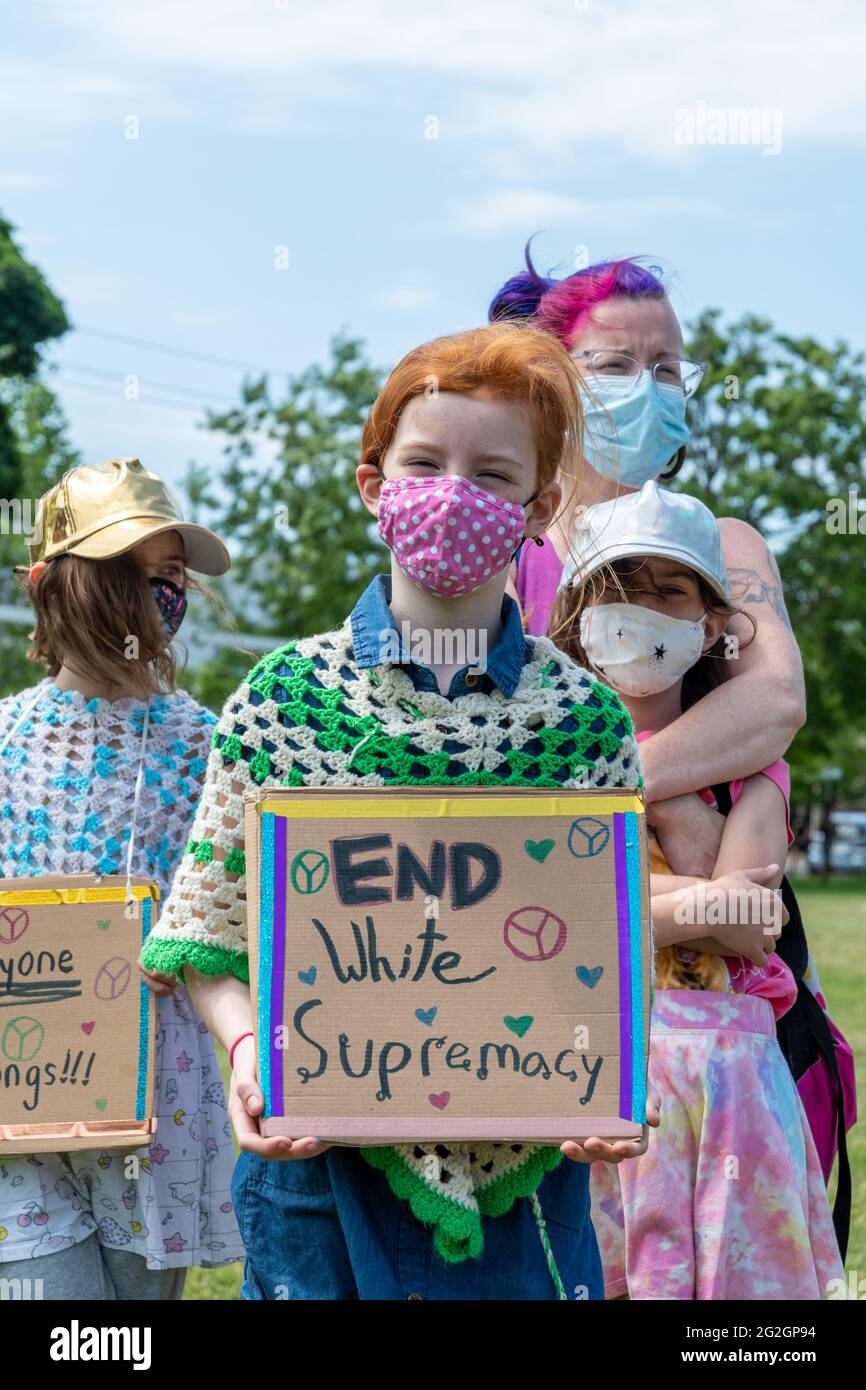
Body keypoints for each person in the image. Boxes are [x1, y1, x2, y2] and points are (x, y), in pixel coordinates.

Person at [140, 323, 659, 1301]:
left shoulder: (582, 722)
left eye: (490, 472)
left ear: (538, 508)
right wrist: (251, 1048)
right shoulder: (284, 698)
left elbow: (609, 947)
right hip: (317, 1173)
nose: (451, 489)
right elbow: (206, 934)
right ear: (374, 484)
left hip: (526, 1180)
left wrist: (611, 1080)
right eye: (424, 462)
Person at [489, 249, 855, 1247]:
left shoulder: (724, 545)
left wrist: (569, 814)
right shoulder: (499, 560)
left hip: (716, 992)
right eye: (614, 365)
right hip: (542, 979)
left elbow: (771, 702)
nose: (646, 391)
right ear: (550, 374)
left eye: (666, 368)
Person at [549, 481, 843, 1299]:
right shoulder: (543, 754)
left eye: (668, 591)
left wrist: (657, 804)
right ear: (575, 619)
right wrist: (697, 901)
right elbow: (541, 915)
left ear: (712, 624)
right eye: (617, 592)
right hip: (590, 1085)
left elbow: (752, 925)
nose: (640, 609)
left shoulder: (757, 770)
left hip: (730, 1090)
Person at [0, 457, 244, 1299]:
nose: (154, 596)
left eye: (169, 575)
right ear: (49, 584)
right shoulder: (3, 739)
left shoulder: (209, 746)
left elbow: (229, 917)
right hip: (18, 1087)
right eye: (126, 573)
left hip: (156, 1100)